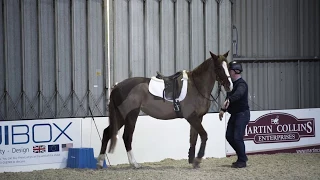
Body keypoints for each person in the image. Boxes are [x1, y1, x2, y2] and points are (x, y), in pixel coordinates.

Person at [219, 60, 250, 168]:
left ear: (235, 71)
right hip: (235, 114)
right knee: (229, 136)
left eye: (230, 70)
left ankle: (242, 160)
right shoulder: (232, 84)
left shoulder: (241, 84)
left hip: (242, 114)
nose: (228, 72)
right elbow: (229, 99)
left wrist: (230, 99)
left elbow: (238, 94)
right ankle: (242, 156)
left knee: (237, 137)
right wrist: (223, 109)